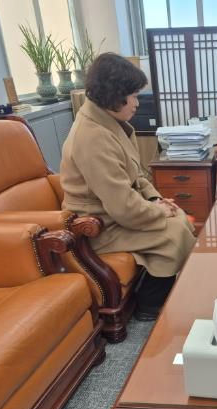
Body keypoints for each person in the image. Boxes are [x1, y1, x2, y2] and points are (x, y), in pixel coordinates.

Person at [60, 53, 196, 320]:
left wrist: (156, 201)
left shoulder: (110, 124)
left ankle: (156, 289)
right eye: (133, 95)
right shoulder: (92, 137)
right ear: (114, 95)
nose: (137, 103)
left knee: (178, 217)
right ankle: (149, 303)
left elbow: (137, 176)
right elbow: (122, 205)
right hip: (98, 225)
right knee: (174, 231)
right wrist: (158, 212)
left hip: (114, 213)